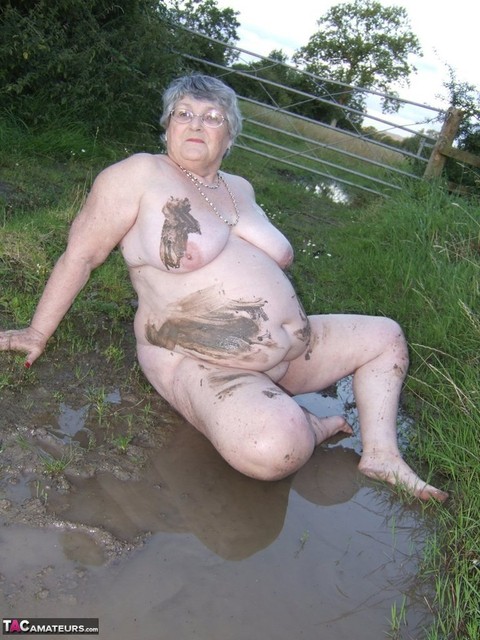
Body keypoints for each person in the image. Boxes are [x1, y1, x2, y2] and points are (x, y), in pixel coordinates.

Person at [0, 74, 447, 501]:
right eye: (183, 113)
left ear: (229, 136)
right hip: (201, 360)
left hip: (290, 355)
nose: (196, 123)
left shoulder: (240, 188)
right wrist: (36, 332)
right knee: (276, 449)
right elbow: (81, 255)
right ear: (167, 127)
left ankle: (382, 455)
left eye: (212, 116)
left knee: (385, 336)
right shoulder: (140, 175)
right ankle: (305, 424)